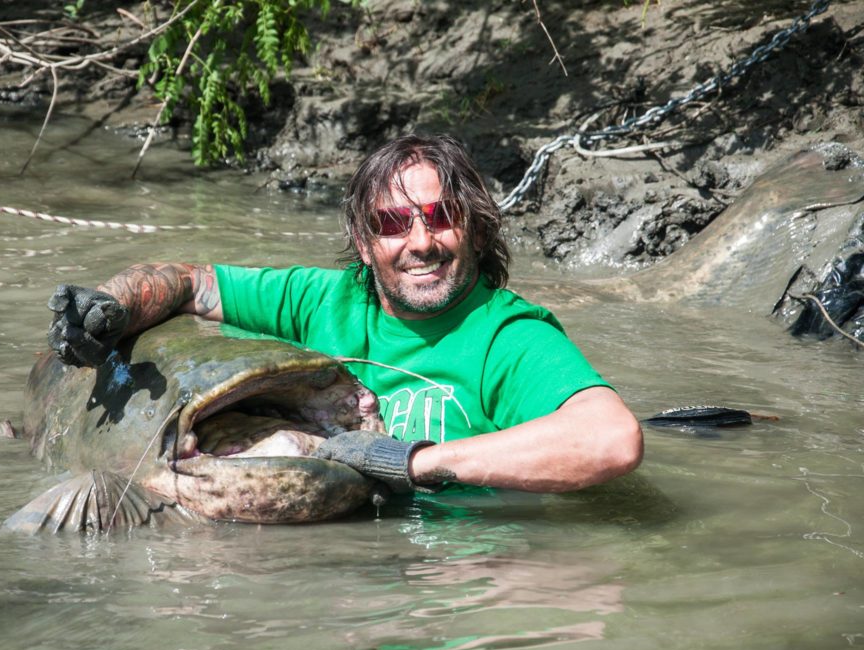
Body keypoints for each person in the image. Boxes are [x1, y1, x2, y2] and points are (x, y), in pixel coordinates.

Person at [46, 134, 643, 494]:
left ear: (475, 229)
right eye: (392, 223)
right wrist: (113, 307)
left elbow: (611, 441)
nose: (420, 242)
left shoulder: (508, 338)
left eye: (440, 217)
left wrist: (412, 462)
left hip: (463, 572)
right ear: (364, 241)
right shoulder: (323, 300)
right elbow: (187, 283)